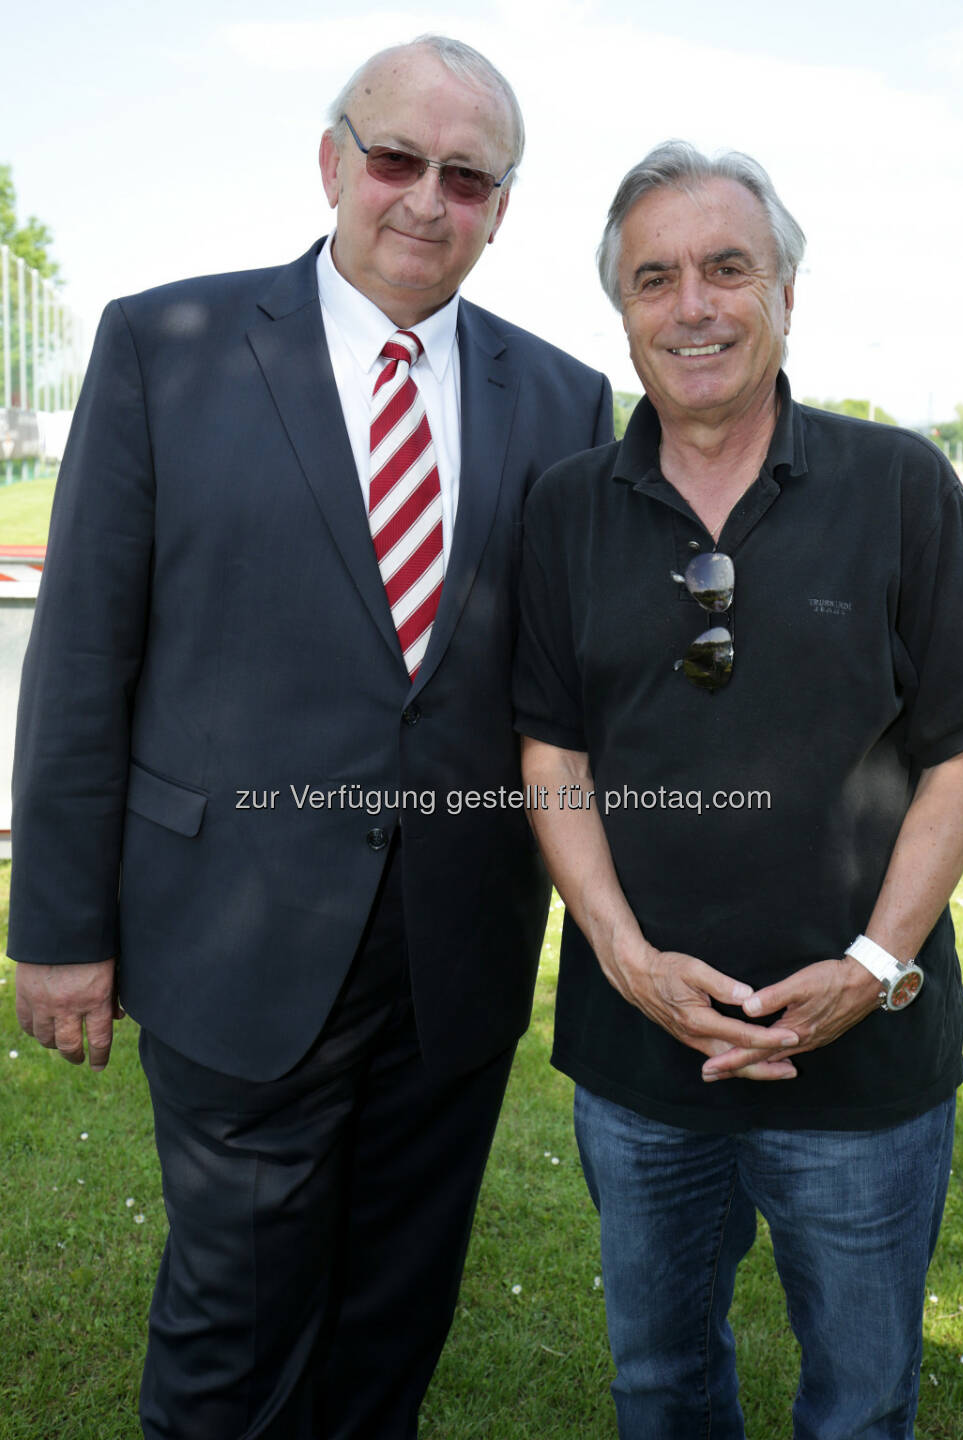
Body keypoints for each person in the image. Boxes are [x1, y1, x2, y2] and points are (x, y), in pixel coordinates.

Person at [10, 34, 612, 1440]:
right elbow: (86, 657)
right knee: (234, 1328)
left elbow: (565, 686)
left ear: (501, 208)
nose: (424, 198)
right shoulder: (166, 344)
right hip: (230, 939)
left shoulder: (564, 398)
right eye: (398, 159)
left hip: (454, 955)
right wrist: (56, 928)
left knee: (393, 1322)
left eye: (467, 178)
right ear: (333, 161)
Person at [514, 140, 963, 1439]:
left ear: (787, 291)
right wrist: (623, 958)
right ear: (622, 311)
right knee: (661, 1388)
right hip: (638, 1069)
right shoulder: (564, 510)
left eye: (726, 268)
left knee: (859, 1409)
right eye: (654, 278)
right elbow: (553, 753)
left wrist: (870, 962)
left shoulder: (902, 483)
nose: (692, 306)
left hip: (863, 1072)